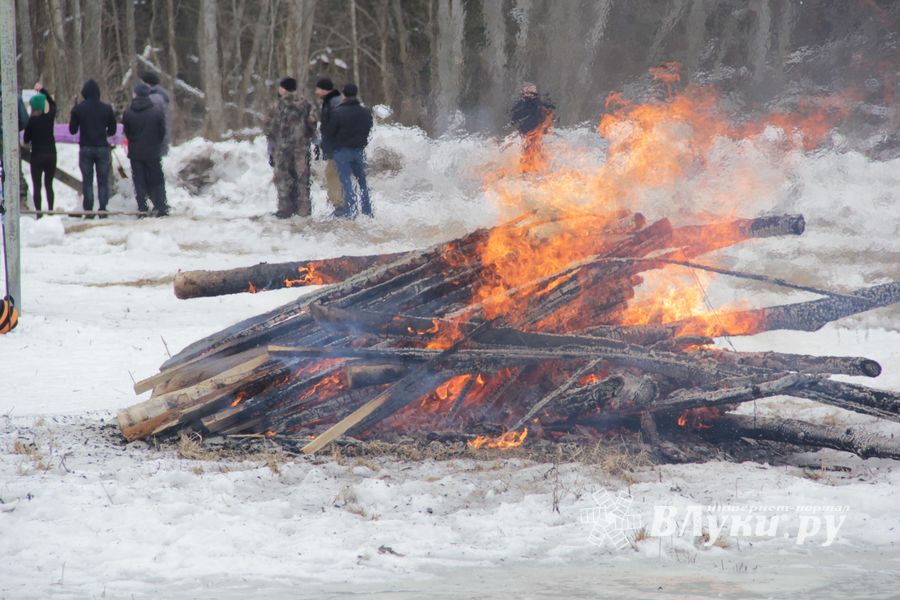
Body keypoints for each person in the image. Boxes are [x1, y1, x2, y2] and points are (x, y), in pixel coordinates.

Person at [263, 77, 317, 218]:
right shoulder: (306, 104)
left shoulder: (277, 106)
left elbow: (269, 128)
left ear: (283, 89)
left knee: (283, 178)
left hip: (282, 149)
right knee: (302, 178)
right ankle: (304, 210)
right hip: (301, 149)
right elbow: (312, 124)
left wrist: (272, 145)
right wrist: (305, 137)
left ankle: (285, 209)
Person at [323, 83, 373, 218]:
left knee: (346, 181)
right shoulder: (366, 112)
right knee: (362, 182)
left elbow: (330, 132)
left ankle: (350, 211)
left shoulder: (337, 112)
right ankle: (367, 211)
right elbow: (368, 128)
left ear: (344, 94)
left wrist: (330, 148)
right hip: (359, 150)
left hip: (342, 151)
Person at [69, 79, 117, 216]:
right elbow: (112, 130)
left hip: (86, 148)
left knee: (87, 180)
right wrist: (104, 132)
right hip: (102, 147)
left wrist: (74, 114)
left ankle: (89, 210)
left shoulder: (79, 109)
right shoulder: (106, 108)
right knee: (103, 180)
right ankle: (103, 208)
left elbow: (72, 130)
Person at [122, 82, 169, 217]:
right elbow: (162, 131)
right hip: (153, 151)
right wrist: (155, 143)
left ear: (135, 94)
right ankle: (161, 206)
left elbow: (127, 132)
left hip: (135, 152)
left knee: (139, 180)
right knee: (157, 178)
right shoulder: (156, 111)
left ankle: (142, 207)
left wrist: (134, 141)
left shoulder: (128, 112)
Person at [23, 84, 57, 216]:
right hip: (51, 154)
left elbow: (26, 139)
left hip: (37, 156)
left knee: (37, 186)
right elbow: (53, 104)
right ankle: (51, 210)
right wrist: (43, 90)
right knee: (49, 185)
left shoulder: (31, 121)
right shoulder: (49, 117)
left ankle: (38, 213)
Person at [313, 77, 344, 214]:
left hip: (338, 146)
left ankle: (339, 205)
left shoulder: (334, 102)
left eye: (318, 89)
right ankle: (338, 203)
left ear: (324, 89)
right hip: (335, 146)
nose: (316, 92)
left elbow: (336, 125)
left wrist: (332, 142)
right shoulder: (330, 101)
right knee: (332, 173)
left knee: (332, 173)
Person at [510, 82, 555, 172]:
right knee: (528, 151)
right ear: (523, 93)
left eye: (531, 92)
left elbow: (548, 112)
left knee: (537, 151)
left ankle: (538, 168)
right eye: (527, 92)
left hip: (537, 133)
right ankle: (527, 169)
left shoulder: (538, 104)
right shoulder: (521, 105)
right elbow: (514, 116)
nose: (529, 94)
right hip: (527, 133)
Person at [139, 71, 172, 155]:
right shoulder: (158, 96)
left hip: (154, 140)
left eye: (142, 82)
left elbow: (151, 120)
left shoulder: (154, 98)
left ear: (147, 84)